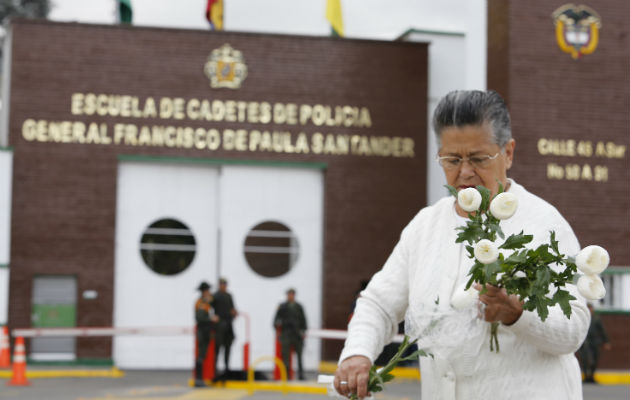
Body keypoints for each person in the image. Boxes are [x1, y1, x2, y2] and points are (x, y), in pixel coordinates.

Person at [334, 90, 591, 399]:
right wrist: (358, 353)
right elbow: (378, 304)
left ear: (508, 153)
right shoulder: (425, 227)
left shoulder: (544, 225)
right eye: (452, 160)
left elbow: (574, 328)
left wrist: (518, 315)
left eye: (479, 159)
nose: (465, 172)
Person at [273, 288, 307, 380]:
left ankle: (300, 375)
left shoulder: (299, 306)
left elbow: (303, 320)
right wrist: (278, 328)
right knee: (286, 356)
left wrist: (303, 331)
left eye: (292, 294)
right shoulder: (282, 306)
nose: (290, 296)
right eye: (289, 294)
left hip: (296, 334)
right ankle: (287, 376)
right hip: (286, 334)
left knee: (299, 355)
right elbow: (276, 320)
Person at [579, 303, 611, 383]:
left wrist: (606, 341)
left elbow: (602, 330)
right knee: (585, 360)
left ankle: (592, 376)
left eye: (591, 308)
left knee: (595, 359)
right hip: (584, 342)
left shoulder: (596, 318)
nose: (590, 310)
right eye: (588, 308)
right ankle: (586, 376)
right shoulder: (582, 318)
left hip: (594, 341)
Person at [194, 281, 218, 387]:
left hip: (206, 331)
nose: (209, 292)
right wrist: (211, 318)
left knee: (203, 355)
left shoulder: (205, 302)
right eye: (208, 290)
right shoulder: (201, 303)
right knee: (201, 355)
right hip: (202, 331)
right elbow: (200, 318)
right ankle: (198, 379)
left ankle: (200, 379)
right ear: (204, 291)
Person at [212, 277, 238, 375]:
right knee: (217, 347)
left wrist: (234, 313)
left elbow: (232, 308)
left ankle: (227, 367)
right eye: (222, 284)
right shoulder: (216, 296)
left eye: (224, 284)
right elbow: (209, 306)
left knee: (228, 346)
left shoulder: (229, 296)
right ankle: (214, 368)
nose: (223, 286)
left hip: (228, 323)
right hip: (219, 324)